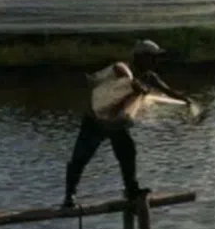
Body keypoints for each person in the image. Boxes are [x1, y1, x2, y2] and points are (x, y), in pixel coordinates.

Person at [62, 39, 195, 209]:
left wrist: (187, 101)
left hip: (116, 123)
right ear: (140, 57)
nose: (155, 62)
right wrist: (132, 82)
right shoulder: (123, 68)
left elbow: (169, 92)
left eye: (156, 58)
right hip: (96, 121)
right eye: (152, 57)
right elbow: (121, 72)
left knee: (127, 153)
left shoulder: (150, 77)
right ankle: (69, 196)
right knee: (80, 158)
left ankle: (132, 190)